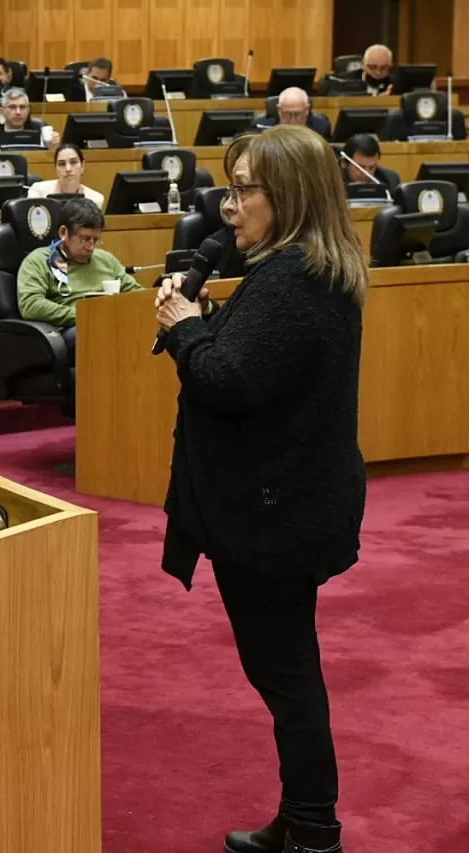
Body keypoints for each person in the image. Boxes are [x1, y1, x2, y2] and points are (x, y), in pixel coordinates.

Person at [154, 125, 366, 853]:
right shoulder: (310, 268)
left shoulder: (289, 279)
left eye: (244, 190)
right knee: (286, 670)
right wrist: (209, 326)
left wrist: (186, 328)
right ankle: (304, 817)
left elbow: (230, 381)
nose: (229, 207)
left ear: (291, 195)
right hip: (294, 502)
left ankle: (314, 831)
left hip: (274, 515)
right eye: (230, 187)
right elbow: (260, 370)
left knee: (287, 676)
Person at [16, 198, 142, 364]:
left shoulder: (105, 260)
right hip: (66, 332)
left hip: (108, 324)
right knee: (98, 332)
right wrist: (84, 315)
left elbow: (134, 291)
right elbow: (30, 304)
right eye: (84, 239)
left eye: (95, 240)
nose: (90, 247)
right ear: (63, 232)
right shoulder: (38, 261)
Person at [0, 87, 59, 151]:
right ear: (2, 111)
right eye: (12, 107)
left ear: (28, 110)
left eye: (22, 107)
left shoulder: (41, 132)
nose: (18, 112)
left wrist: (53, 148)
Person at [28, 143, 105, 208]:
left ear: (82, 166)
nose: (68, 169)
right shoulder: (38, 192)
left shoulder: (96, 199)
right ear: (56, 169)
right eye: (62, 164)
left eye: (73, 162)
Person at [254, 87, 331, 139]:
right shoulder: (260, 125)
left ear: (307, 110)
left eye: (297, 114)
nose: (292, 121)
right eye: (287, 114)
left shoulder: (321, 126)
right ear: (279, 110)